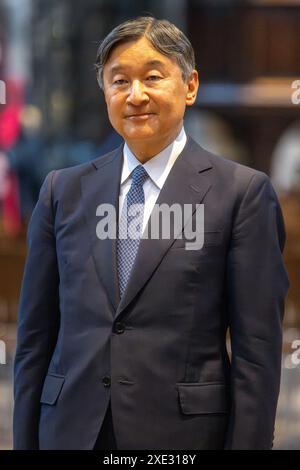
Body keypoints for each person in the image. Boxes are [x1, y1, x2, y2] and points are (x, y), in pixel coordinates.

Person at [13, 16, 289, 450]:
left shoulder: (241, 195)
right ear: (104, 91)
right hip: (70, 430)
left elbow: (257, 355)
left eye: (153, 77)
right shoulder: (62, 191)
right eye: (119, 80)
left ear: (191, 85)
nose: (135, 94)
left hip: (182, 437)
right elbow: (34, 341)